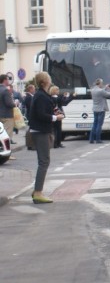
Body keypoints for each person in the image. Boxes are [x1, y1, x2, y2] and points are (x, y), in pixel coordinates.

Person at [27, 72, 63, 203]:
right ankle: (38, 193)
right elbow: (41, 114)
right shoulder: (41, 96)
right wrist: (55, 117)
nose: (50, 79)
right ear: (44, 82)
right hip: (40, 131)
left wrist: (54, 111)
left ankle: (37, 190)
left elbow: (45, 109)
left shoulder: (42, 95)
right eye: (48, 78)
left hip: (42, 130)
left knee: (44, 161)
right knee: (44, 162)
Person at [89, 79, 110, 144]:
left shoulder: (92, 90)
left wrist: (105, 87)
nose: (102, 84)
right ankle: (98, 139)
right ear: (99, 83)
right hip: (101, 109)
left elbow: (101, 91)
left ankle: (91, 139)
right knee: (99, 125)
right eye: (102, 83)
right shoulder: (100, 91)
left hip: (95, 109)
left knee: (94, 124)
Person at [0, 74, 15, 146]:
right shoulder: (6, 90)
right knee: (7, 135)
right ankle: (7, 153)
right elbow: (9, 103)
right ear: (5, 80)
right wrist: (15, 103)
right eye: (7, 79)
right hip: (7, 115)